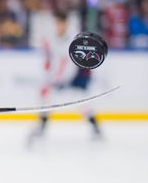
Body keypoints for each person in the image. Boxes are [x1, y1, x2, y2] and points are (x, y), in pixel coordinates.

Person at [28, 11, 102, 145]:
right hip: (57, 79)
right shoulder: (51, 40)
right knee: (46, 101)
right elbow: (49, 61)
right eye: (58, 23)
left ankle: (96, 128)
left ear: (66, 24)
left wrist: (68, 79)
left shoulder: (73, 41)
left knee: (84, 103)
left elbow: (74, 63)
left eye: (62, 24)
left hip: (74, 78)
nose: (59, 26)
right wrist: (51, 80)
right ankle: (41, 128)